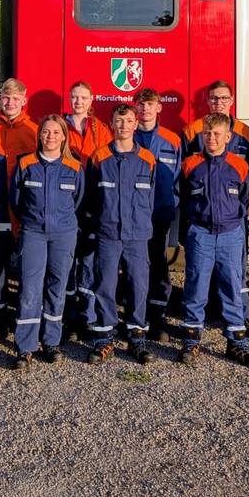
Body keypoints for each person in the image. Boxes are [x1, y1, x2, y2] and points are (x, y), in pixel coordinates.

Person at [182, 80, 249, 339]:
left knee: (236, 273)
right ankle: (196, 329)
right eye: (214, 99)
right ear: (207, 101)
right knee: (198, 277)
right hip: (203, 221)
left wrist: (236, 212)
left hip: (231, 221)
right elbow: (184, 184)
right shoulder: (193, 130)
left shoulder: (246, 133)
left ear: (232, 100)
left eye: (224, 98)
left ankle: (242, 320)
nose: (219, 103)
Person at [178, 114, 249, 368]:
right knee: (196, 286)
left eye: (217, 134)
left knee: (231, 286)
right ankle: (191, 340)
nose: (212, 138)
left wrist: (232, 221)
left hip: (231, 234)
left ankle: (237, 342)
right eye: (208, 134)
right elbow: (184, 197)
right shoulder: (190, 164)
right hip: (201, 234)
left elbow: (244, 199)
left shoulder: (239, 165)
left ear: (228, 137)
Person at [11, 115, 84, 369]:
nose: (50, 137)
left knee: (57, 287)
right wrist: (31, 222)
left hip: (64, 234)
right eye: (46, 132)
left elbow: (78, 201)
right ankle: (25, 347)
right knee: (30, 290)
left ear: (64, 136)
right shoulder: (26, 164)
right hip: (33, 233)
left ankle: (51, 341)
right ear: (39, 135)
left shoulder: (74, 167)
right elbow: (16, 200)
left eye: (56, 132)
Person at [85, 104, 156, 365]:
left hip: (137, 234)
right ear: (112, 124)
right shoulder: (98, 158)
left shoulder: (148, 159)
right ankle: (104, 338)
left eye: (128, 121)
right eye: (119, 121)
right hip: (108, 233)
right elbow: (90, 198)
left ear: (136, 124)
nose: (123, 126)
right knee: (105, 284)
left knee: (138, 285)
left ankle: (137, 338)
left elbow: (152, 197)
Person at [0, 78, 38, 341]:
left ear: (24, 100)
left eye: (15, 99)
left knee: (28, 274)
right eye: (6, 98)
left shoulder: (35, 131)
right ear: (0, 99)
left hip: (26, 214)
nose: (10, 103)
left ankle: (25, 324)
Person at [63, 81, 113, 338]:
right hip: (66, 202)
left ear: (92, 100)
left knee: (89, 262)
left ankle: (89, 316)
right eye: (74, 97)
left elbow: (108, 164)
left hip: (93, 203)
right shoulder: (60, 127)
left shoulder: (101, 130)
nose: (78, 101)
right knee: (67, 261)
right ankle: (69, 316)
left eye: (83, 97)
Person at [133, 87, 182, 343]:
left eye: (150, 105)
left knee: (158, 265)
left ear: (159, 108)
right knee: (134, 267)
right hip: (132, 217)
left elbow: (178, 178)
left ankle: (157, 315)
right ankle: (135, 316)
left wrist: (170, 205)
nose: (145, 109)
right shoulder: (127, 136)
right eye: (141, 105)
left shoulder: (172, 140)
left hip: (159, 213)